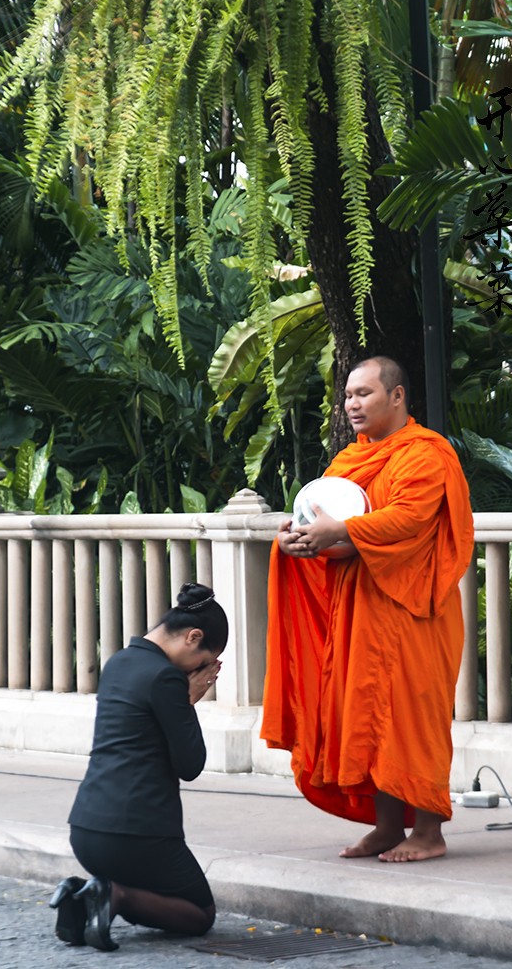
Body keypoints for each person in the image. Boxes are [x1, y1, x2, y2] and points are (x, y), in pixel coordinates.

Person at [261, 355, 474, 863]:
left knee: (413, 717)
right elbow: (311, 517)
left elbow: (409, 519)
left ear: (397, 397)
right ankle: (386, 826)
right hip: (360, 606)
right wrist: (292, 540)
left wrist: (341, 531)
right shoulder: (346, 463)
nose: (351, 405)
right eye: (348, 396)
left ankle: (428, 831)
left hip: (415, 607)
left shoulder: (427, 454)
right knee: (366, 714)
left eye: (364, 394)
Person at [52, 582, 226, 951]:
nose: (204, 672)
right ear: (193, 637)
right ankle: (114, 896)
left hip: (86, 830)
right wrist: (187, 702)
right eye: (206, 661)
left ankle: (83, 897)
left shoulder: (119, 661)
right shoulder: (165, 678)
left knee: (155, 889)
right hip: (136, 833)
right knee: (199, 914)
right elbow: (191, 764)